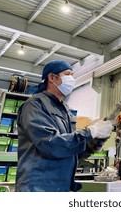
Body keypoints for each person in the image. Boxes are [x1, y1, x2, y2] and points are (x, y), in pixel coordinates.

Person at [15, 59, 113, 192]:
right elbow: (50, 145)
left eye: (72, 75)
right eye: (67, 74)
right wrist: (91, 132)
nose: (71, 79)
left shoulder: (65, 109)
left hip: (61, 187)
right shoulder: (34, 105)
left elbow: (68, 151)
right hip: (38, 188)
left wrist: (91, 144)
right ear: (52, 78)